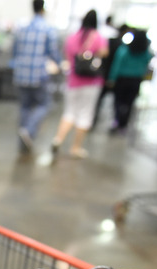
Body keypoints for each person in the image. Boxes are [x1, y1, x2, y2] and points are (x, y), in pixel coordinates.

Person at [50, 10, 108, 159]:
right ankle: (75, 147)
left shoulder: (72, 38)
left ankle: (58, 139)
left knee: (69, 112)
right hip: (91, 83)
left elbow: (67, 56)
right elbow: (104, 53)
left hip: (73, 81)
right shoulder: (99, 38)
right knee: (85, 114)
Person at [10, 0, 60, 154]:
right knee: (44, 105)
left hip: (22, 73)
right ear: (43, 9)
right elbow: (53, 52)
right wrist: (59, 64)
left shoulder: (21, 28)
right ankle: (28, 131)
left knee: (25, 106)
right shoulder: (48, 29)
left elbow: (14, 51)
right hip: (39, 75)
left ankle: (23, 138)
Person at [108, 29, 153, 133]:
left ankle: (117, 120)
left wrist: (112, 79)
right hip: (135, 80)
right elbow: (147, 64)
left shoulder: (124, 50)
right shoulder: (145, 53)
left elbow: (116, 65)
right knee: (129, 103)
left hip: (122, 80)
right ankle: (123, 125)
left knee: (118, 101)